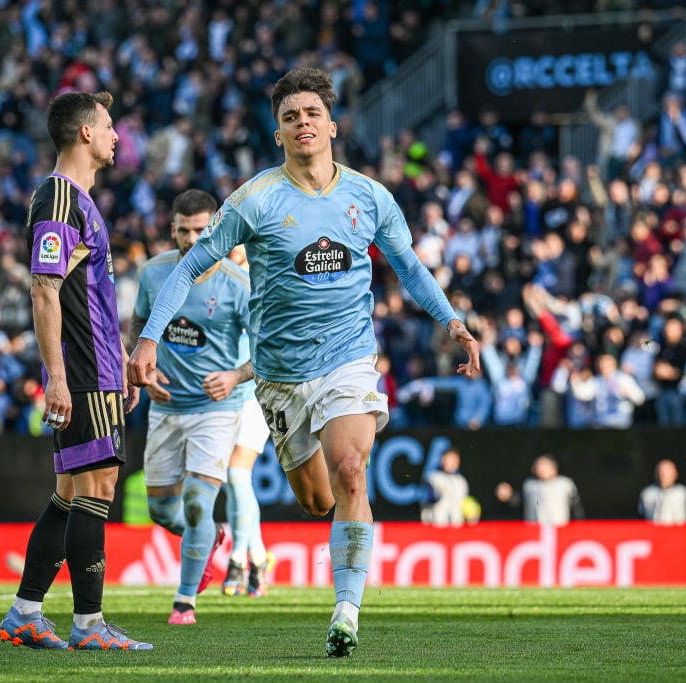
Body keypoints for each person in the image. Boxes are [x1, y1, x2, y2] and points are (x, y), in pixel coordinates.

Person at [127, 66, 481, 658]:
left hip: (348, 356)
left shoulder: (369, 197)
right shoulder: (254, 200)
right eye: (291, 117)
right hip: (280, 376)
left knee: (350, 472)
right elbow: (188, 267)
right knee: (318, 501)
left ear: (333, 125)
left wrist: (451, 320)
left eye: (312, 113)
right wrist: (148, 339)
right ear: (278, 133)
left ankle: (346, 612)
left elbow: (410, 267)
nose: (303, 123)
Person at [0, 91, 152, 652]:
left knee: (68, 493)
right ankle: (88, 625)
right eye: (109, 126)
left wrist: (121, 366)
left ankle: (25, 612)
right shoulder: (59, 198)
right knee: (97, 488)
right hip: (83, 372)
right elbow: (45, 287)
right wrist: (57, 376)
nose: (116, 136)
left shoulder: (77, 199)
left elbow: (89, 295)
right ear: (85, 133)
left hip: (99, 369)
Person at [127, 189, 252, 626]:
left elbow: (269, 350)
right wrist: (142, 372)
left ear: (216, 227)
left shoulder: (238, 284)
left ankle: (184, 602)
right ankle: (211, 536)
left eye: (202, 230)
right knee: (163, 511)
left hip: (217, 409)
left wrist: (236, 376)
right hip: (166, 405)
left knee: (199, 501)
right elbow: (141, 325)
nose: (193, 239)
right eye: (185, 231)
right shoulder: (154, 273)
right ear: (172, 229)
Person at [221, 244, 275, 599]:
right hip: (225, 394)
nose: (232, 248)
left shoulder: (262, 280)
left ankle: (238, 560)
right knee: (233, 479)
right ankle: (258, 559)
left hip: (257, 390)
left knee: (237, 473)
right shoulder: (221, 282)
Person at [496, 454, 583, 526]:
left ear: (553, 467)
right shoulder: (530, 485)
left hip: (561, 529)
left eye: (542, 465)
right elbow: (519, 501)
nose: (538, 468)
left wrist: (579, 526)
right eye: (537, 465)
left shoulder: (565, 484)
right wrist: (509, 496)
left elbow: (576, 508)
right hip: (535, 530)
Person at [420, 448, 469, 527]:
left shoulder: (461, 481)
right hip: (436, 526)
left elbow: (464, 503)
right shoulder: (432, 478)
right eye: (449, 459)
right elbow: (427, 498)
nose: (452, 462)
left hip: (456, 528)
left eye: (455, 459)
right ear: (442, 460)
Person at [639, 459, 686, 524]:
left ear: (675, 474)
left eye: (667, 472)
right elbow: (640, 516)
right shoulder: (647, 493)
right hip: (653, 532)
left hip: (678, 532)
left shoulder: (682, 492)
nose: (662, 475)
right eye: (660, 472)